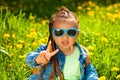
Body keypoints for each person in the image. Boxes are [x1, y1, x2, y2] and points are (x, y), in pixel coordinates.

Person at [26, 6, 98, 80]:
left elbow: (90, 71)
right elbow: (28, 59)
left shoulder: (82, 53)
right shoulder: (47, 50)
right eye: (59, 32)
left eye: (71, 32)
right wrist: (38, 59)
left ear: (77, 34)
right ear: (52, 35)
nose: (65, 37)